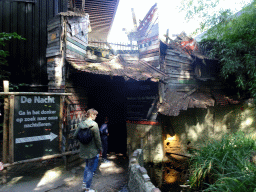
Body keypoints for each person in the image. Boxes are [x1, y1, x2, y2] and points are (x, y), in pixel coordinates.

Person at [74, 108, 102, 192]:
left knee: (87, 167)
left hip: (83, 150)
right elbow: (97, 139)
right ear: (91, 115)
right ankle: (87, 188)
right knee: (90, 170)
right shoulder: (94, 125)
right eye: (95, 115)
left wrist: (83, 139)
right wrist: (100, 149)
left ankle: (84, 184)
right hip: (92, 151)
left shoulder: (81, 124)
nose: (96, 116)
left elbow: (75, 136)